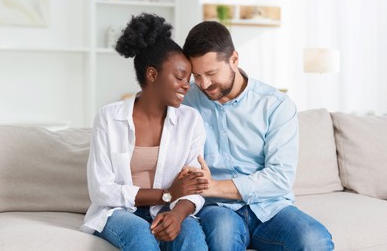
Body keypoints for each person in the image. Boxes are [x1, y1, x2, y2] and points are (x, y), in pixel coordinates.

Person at [181, 21, 335, 250]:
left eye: (211, 73)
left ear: (234, 59)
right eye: (197, 75)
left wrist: (213, 186)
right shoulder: (186, 101)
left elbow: (280, 177)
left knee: (315, 241)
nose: (204, 84)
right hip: (218, 209)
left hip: (270, 207)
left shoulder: (275, 105)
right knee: (222, 239)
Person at [81, 13, 208, 251]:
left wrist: (178, 214)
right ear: (152, 74)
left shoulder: (191, 120)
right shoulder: (109, 118)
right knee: (140, 235)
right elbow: (101, 190)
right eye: (180, 77)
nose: (186, 86)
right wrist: (167, 194)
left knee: (191, 240)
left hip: (170, 209)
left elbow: (195, 186)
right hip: (118, 212)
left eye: (188, 79)